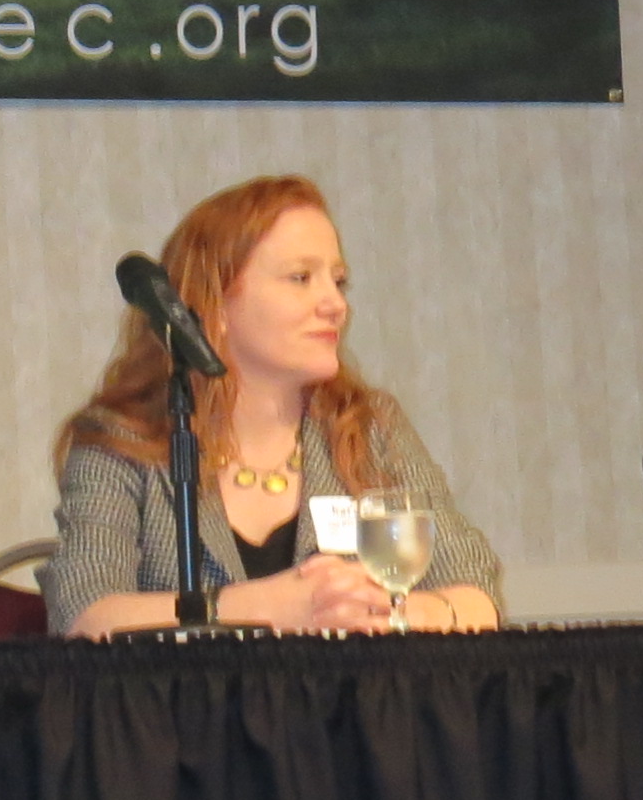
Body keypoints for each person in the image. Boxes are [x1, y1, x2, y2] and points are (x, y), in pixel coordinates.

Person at [46, 174, 503, 637]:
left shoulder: (367, 426)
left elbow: (476, 594)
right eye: (301, 278)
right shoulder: (123, 439)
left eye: (338, 281)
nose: (336, 305)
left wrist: (387, 612)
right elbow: (85, 615)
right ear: (215, 303)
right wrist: (262, 609)